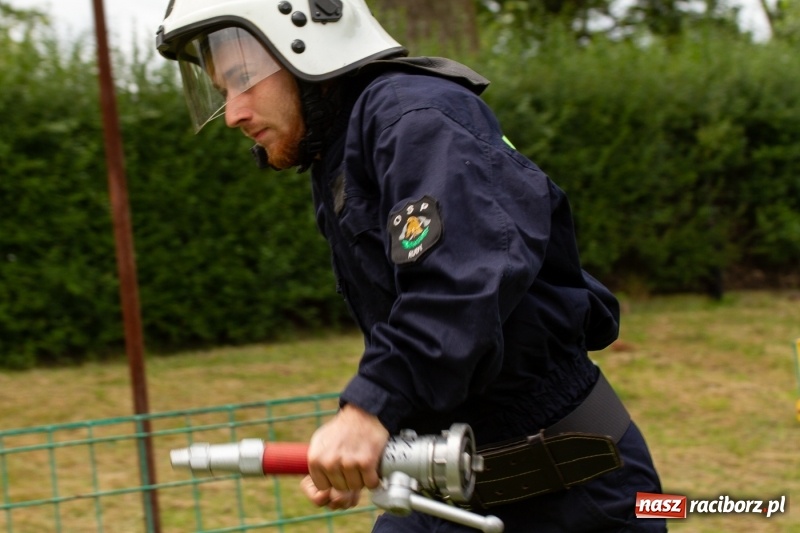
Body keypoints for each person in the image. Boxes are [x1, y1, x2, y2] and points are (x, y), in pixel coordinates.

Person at [156, 1, 666, 531]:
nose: (234, 113)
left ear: (305, 42)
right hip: (446, 483)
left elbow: (459, 281)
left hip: (568, 490)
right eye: (222, 94)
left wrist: (368, 411)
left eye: (243, 80)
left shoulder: (415, 117)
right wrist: (370, 441)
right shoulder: (343, 148)